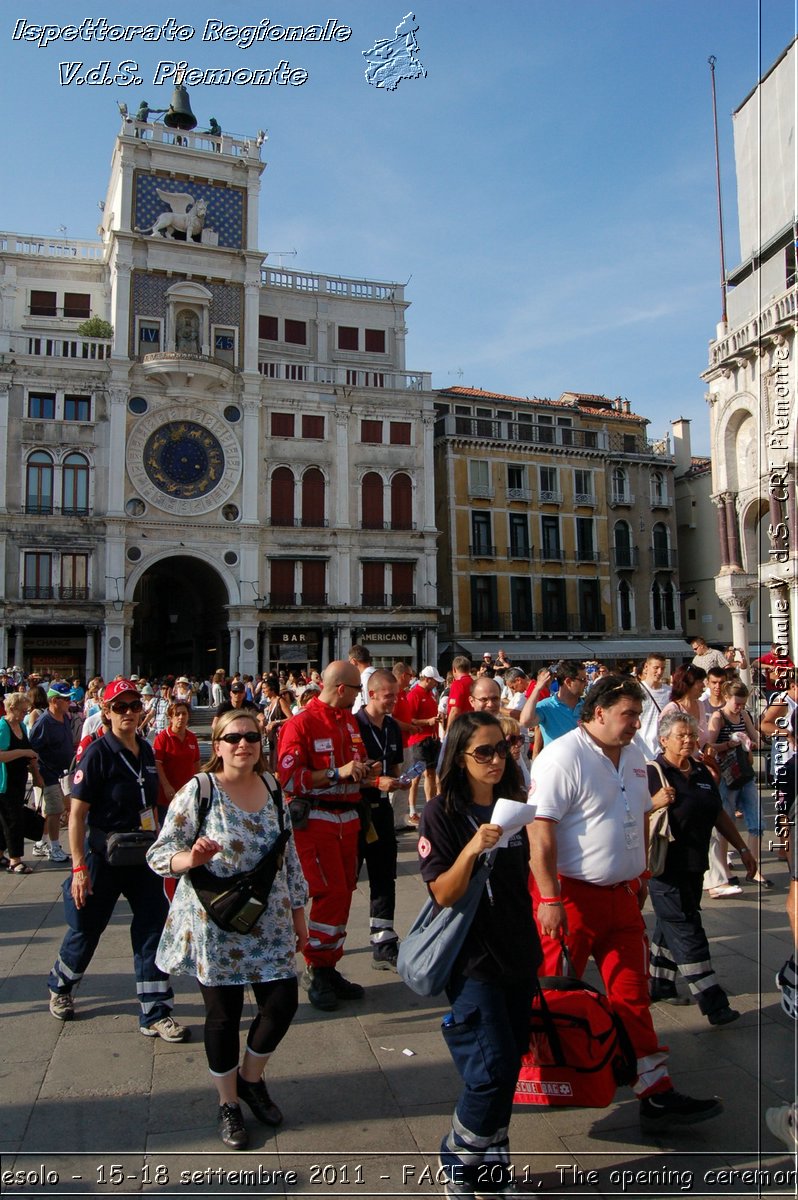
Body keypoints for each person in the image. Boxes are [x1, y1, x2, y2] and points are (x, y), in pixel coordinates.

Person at [528, 675, 723, 1134]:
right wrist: (550, 897)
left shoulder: (635, 756)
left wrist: (637, 875)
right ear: (598, 713)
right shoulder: (562, 757)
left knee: (632, 997)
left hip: (621, 898)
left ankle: (655, 1094)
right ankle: (540, 1078)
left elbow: (637, 814)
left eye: (638, 714)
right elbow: (540, 832)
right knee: (554, 993)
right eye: (628, 715)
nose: (636, 723)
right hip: (570, 898)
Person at [147, 708, 308, 1149]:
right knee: (224, 1016)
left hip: (269, 920)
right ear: (216, 746)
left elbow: (287, 853)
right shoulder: (199, 791)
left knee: (283, 1003)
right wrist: (190, 859)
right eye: (233, 737)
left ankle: (250, 1078)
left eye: (252, 737)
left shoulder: (273, 786)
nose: (244, 744)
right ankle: (228, 1103)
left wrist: (299, 912)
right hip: (214, 925)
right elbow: (161, 854)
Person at [418, 712, 540, 1198]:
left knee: (509, 1067)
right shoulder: (441, 812)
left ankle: (494, 1174)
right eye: (482, 752)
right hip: (472, 961)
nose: (494, 760)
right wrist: (472, 849)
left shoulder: (514, 806)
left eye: (501, 749)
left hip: (518, 950)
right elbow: (443, 894)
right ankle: (457, 1161)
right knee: (489, 1072)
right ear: (460, 757)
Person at [47, 680, 188, 1040]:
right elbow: (77, 815)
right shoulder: (97, 753)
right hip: (103, 857)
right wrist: (78, 867)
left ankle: (155, 1011)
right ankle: (61, 985)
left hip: (143, 856)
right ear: (105, 711)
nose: (128, 712)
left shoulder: (145, 749)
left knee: (153, 929)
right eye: (119, 707)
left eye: (133, 705)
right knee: (86, 927)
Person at [647, 711, 755, 1023]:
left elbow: (718, 813)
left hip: (695, 865)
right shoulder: (653, 772)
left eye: (692, 735)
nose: (688, 740)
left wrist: (743, 848)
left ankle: (659, 982)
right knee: (687, 929)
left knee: (675, 923)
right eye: (681, 735)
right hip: (663, 867)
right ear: (663, 739)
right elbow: (632, 813)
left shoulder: (700, 770)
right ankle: (713, 1001)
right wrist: (654, 802)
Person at [276, 660, 369, 1011]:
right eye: (358, 689)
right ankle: (316, 968)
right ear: (341, 688)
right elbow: (289, 778)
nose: (361, 695)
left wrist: (365, 770)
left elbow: (354, 762)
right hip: (316, 820)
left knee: (344, 893)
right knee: (328, 892)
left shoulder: (348, 721)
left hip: (349, 819)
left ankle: (329, 967)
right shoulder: (301, 723)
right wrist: (336, 772)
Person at [355, 669, 406, 970]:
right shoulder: (353, 725)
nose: (394, 702)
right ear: (371, 694)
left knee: (385, 873)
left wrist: (399, 781)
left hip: (382, 809)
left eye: (396, 696)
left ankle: (383, 938)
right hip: (356, 808)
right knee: (347, 877)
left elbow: (395, 767)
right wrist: (375, 783)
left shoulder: (392, 727)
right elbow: (343, 775)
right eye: (389, 697)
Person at [706, 680, 769, 887]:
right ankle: (723, 867)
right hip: (726, 775)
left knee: (756, 820)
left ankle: (755, 868)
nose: (740, 707)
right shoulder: (718, 717)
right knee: (727, 822)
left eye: (743, 703)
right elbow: (708, 746)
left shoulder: (743, 715)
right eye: (737, 703)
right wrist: (728, 744)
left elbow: (756, 738)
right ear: (726, 698)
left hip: (745, 772)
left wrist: (751, 741)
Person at [29, 682, 76, 863]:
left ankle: (41, 842)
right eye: (66, 699)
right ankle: (54, 847)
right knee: (55, 811)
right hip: (48, 773)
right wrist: (37, 775)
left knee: (54, 810)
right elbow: (33, 751)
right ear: (54, 701)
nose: (69, 702)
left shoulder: (64, 718)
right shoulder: (44, 723)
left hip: (63, 773)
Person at [0, 692, 44, 873]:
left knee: (5, 820)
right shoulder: (3, 727)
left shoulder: (21, 727)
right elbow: (1, 756)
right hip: (5, 782)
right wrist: (25, 753)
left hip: (19, 780)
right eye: (23, 710)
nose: (25, 714)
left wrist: (37, 774)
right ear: (11, 708)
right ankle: (15, 860)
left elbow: (28, 752)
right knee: (13, 821)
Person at [405, 666, 443, 826]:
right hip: (418, 740)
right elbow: (409, 719)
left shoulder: (430, 694)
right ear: (427, 679)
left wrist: (435, 719)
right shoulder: (414, 694)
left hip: (431, 738)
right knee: (416, 776)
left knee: (431, 774)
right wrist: (427, 721)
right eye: (434, 681)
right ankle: (413, 811)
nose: (436, 684)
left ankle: (430, 807)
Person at [153, 701, 201, 828]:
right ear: (171, 718)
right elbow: (157, 764)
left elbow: (196, 763)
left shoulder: (192, 737)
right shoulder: (162, 738)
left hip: (187, 795)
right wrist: (166, 786)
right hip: (167, 796)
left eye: (184, 714)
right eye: (177, 714)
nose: (181, 717)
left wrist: (199, 784)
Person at [519, 660, 587, 746]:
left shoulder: (588, 707)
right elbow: (525, 722)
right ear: (568, 682)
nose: (586, 683)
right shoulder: (546, 706)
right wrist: (537, 689)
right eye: (583, 680)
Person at [633, 653, 671, 757]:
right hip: (640, 749)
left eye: (662, 668)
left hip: (662, 751)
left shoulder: (669, 692)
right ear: (646, 667)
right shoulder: (635, 691)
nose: (659, 672)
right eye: (656, 668)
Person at [446, 656, 473, 727]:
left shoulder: (458, 684)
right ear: (469, 669)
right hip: (472, 724)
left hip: (460, 726)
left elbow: (454, 711)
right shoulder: (475, 683)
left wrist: (448, 731)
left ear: (454, 670)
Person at [347, 644, 375, 714]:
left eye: (349, 662)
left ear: (354, 661)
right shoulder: (380, 675)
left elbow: (365, 707)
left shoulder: (363, 679)